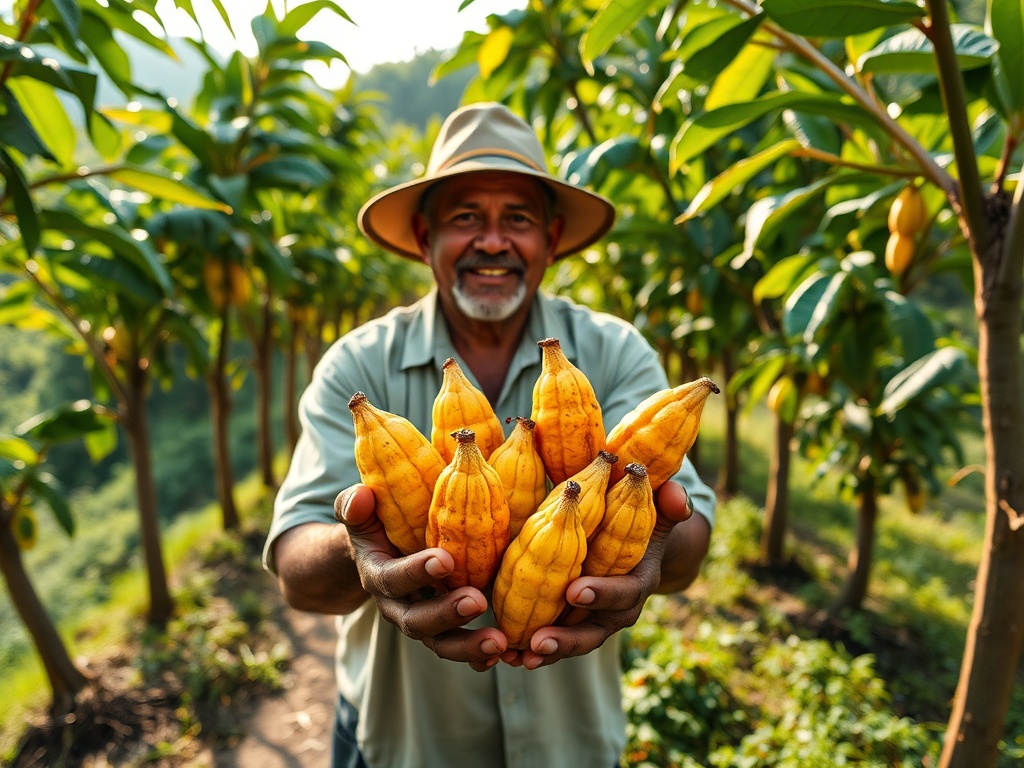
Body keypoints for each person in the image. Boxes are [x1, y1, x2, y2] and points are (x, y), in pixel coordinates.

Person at [263, 102, 716, 768]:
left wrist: (653, 547)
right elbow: (296, 571)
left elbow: (690, 531)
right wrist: (364, 553)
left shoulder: (614, 352)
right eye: (466, 217)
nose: (494, 241)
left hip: (570, 745)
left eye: (519, 220)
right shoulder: (359, 365)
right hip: (405, 743)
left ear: (553, 239)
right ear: (424, 237)